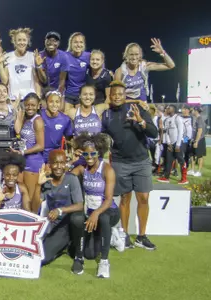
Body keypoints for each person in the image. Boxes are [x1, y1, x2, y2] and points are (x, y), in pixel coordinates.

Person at [101, 81, 158, 250]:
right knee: (125, 199)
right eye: (114, 94)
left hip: (141, 161)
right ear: (110, 96)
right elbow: (103, 136)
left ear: (125, 96)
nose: (117, 97)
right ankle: (124, 235)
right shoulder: (106, 115)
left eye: (120, 94)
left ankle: (141, 236)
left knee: (144, 198)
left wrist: (140, 121)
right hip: (120, 162)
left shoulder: (138, 109)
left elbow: (153, 133)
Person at [71, 132, 120, 278]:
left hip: (107, 211)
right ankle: (79, 257)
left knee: (104, 219)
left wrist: (96, 213)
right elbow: (66, 179)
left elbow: (109, 199)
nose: (90, 157)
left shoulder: (107, 170)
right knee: (90, 254)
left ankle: (104, 262)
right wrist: (72, 162)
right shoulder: (82, 168)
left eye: (93, 154)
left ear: (99, 152)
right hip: (90, 213)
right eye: (86, 154)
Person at [35, 150, 86, 274]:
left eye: (62, 163)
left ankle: (79, 258)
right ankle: (64, 245)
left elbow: (80, 206)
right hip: (55, 225)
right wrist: (38, 185)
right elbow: (34, 207)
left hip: (70, 223)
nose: (59, 166)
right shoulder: (46, 182)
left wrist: (60, 210)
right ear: (50, 164)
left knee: (78, 218)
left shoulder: (71, 179)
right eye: (55, 163)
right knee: (42, 257)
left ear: (66, 164)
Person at [12, 93, 45, 210]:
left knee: (31, 197)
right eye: (27, 105)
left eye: (33, 105)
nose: (30, 107)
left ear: (38, 106)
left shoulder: (38, 121)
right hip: (23, 161)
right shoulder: (26, 119)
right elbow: (17, 131)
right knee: (23, 197)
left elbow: (41, 145)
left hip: (33, 163)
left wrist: (23, 152)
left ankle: (34, 224)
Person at [5, 28, 40, 100]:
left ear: (28, 42)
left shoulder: (32, 56)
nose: (22, 42)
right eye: (19, 40)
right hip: (13, 99)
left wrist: (38, 97)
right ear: (14, 41)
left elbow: (36, 80)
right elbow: (6, 81)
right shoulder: (7, 57)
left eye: (24, 40)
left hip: (30, 99)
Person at [40, 91, 73, 163]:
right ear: (46, 102)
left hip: (55, 154)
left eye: (57, 102)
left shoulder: (65, 119)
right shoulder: (39, 115)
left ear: (60, 103)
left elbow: (69, 139)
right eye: (51, 101)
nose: (54, 104)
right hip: (39, 153)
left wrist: (70, 153)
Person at [157, 105, 187, 184]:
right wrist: (169, 143)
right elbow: (166, 132)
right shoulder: (167, 120)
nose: (167, 109)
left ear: (173, 109)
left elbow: (180, 132)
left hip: (178, 143)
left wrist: (178, 144)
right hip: (170, 144)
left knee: (181, 160)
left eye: (168, 108)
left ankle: (184, 178)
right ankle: (166, 177)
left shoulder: (178, 118)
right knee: (169, 160)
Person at [62, 32, 90, 109]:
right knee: (67, 117)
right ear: (71, 43)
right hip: (69, 93)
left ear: (84, 44)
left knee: (79, 117)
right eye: (75, 42)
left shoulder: (88, 56)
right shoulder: (65, 56)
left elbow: (99, 67)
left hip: (82, 94)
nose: (78, 45)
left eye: (81, 42)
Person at [190, 106, 207, 177]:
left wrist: (196, 141)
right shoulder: (196, 118)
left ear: (196, 111)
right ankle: (192, 170)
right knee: (192, 154)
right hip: (194, 139)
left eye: (193, 110)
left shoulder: (200, 119)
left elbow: (200, 131)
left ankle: (199, 171)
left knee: (199, 156)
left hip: (199, 140)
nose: (192, 111)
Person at [181, 105, 193, 173]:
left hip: (186, 138)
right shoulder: (180, 118)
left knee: (186, 153)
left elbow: (190, 130)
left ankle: (186, 166)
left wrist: (186, 139)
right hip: (181, 138)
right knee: (181, 153)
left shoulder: (191, 118)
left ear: (188, 110)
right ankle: (183, 166)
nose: (184, 111)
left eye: (186, 109)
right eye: (183, 109)